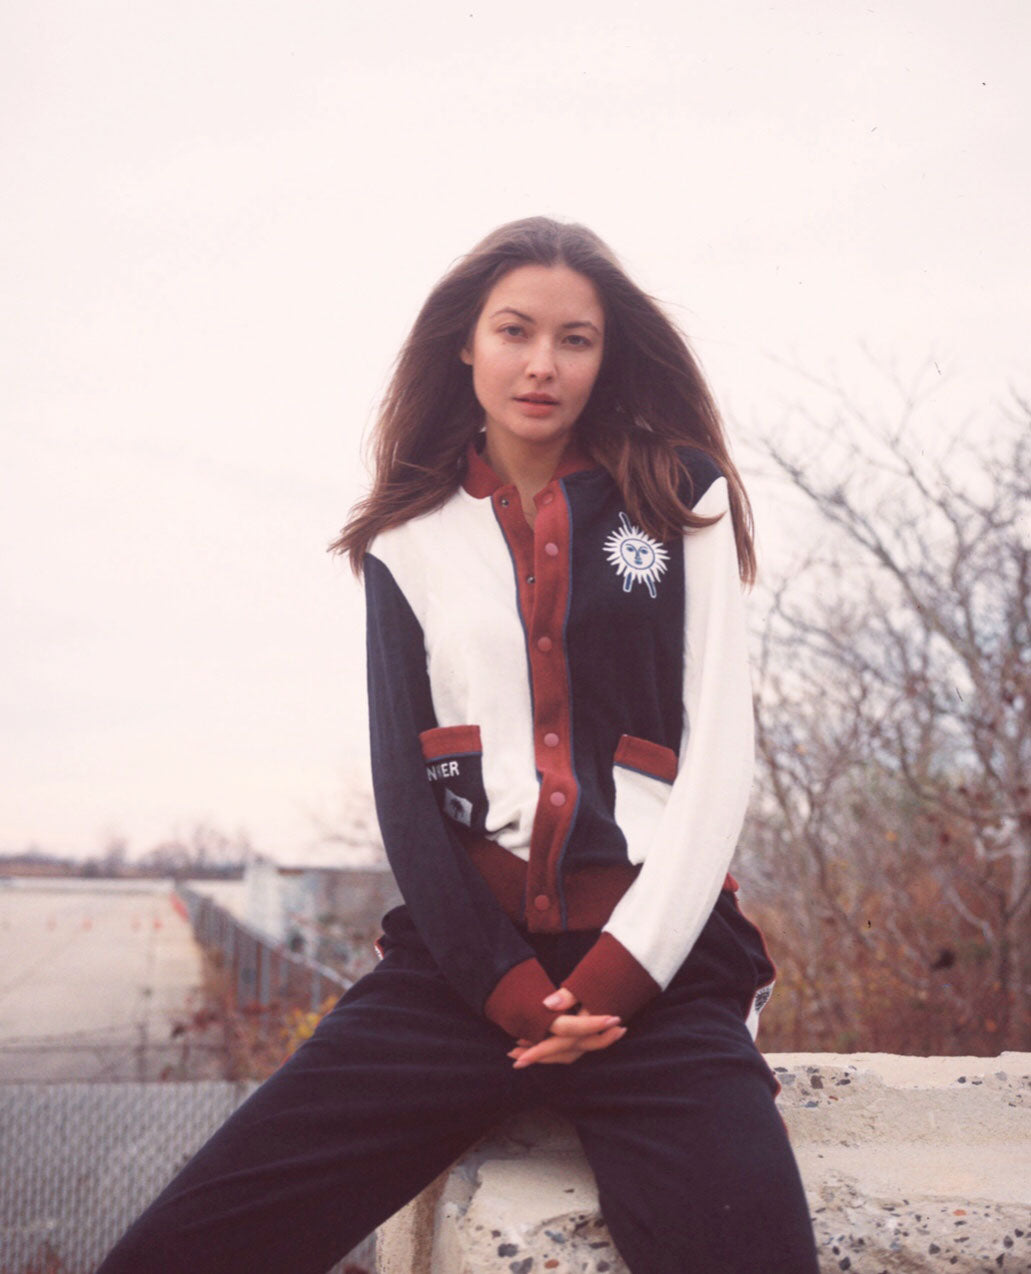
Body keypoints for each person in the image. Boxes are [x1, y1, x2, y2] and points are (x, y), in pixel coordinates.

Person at [96, 217, 819, 1274]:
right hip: (460, 974)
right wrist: (513, 994)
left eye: (574, 338)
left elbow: (717, 760)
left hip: (657, 979)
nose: (541, 363)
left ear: (606, 355)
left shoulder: (679, 496)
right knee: (187, 1245)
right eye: (514, 331)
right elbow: (406, 788)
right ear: (464, 346)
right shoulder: (405, 536)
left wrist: (612, 982)